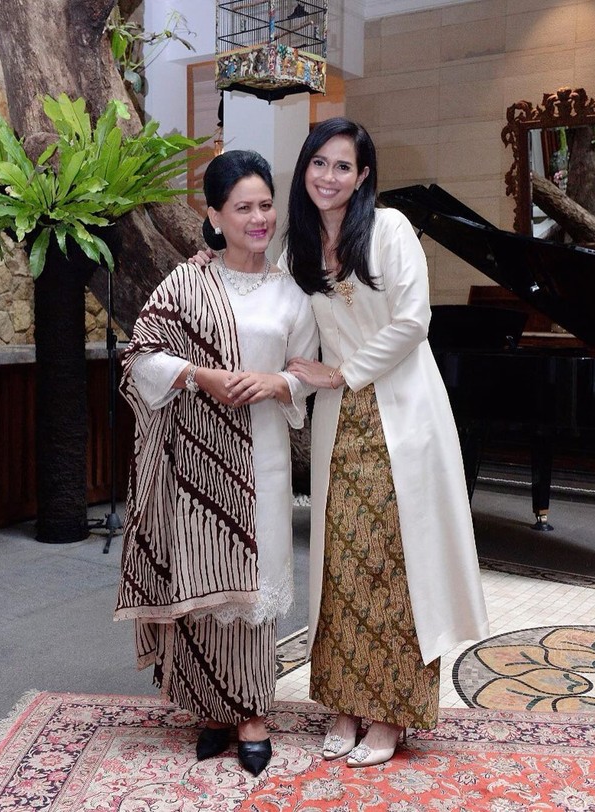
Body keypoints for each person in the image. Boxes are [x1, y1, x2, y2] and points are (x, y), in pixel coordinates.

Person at [283, 117, 490, 767]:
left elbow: (413, 320)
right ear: (305, 168)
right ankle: (344, 706)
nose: (329, 176)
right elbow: (295, 329)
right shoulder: (300, 244)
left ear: (364, 175)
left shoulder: (391, 229)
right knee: (340, 564)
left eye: (343, 166)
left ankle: (392, 715)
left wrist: (344, 371)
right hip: (338, 422)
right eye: (319, 163)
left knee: (392, 567)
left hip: (398, 412)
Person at [114, 149, 318, 776]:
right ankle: (211, 708)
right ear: (215, 215)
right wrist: (199, 374)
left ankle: (253, 712)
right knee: (203, 580)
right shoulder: (185, 282)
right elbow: (138, 355)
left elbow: (307, 370)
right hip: (195, 461)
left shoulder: (291, 293)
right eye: (243, 208)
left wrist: (277, 383)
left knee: (253, 588)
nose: (259, 219)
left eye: (265, 206)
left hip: (262, 458)